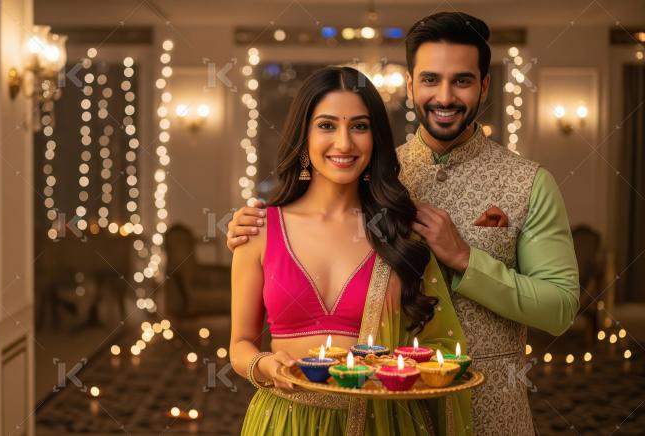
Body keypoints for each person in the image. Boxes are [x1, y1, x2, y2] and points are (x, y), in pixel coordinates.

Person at [227, 12, 580, 435]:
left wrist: (467, 260)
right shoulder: (376, 172)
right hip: (384, 406)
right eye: (430, 80)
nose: (445, 96)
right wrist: (258, 225)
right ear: (410, 84)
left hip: (493, 401)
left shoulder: (528, 183)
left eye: (462, 81)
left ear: (485, 86)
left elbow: (560, 309)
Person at [229, 66, 471, 435]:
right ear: (303, 136)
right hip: (284, 420)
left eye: (359, 126)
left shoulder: (401, 235)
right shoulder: (258, 230)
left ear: (375, 139)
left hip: (380, 422)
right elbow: (240, 344)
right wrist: (265, 365)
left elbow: (436, 347)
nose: (344, 143)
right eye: (327, 126)